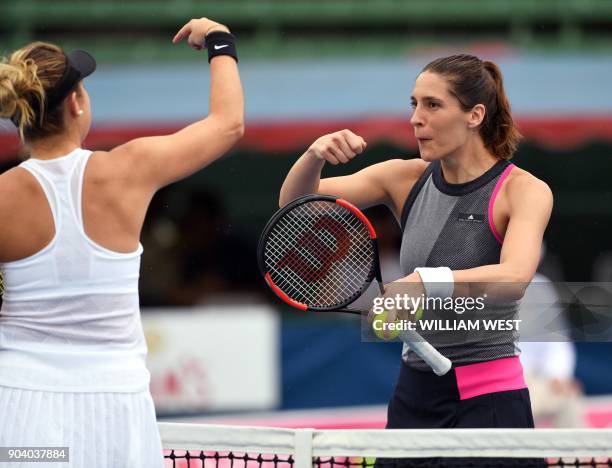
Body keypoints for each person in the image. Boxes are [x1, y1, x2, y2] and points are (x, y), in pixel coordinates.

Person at [0, 17, 243, 467]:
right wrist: (218, 40)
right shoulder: (129, 169)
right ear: (76, 102)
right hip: (117, 413)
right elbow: (228, 125)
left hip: (22, 415)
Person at [280, 55, 552, 455]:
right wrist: (314, 155)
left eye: (433, 105)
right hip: (414, 396)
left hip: (490, 400)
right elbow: (295, 207)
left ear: (474, 115)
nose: (416, 118)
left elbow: (513, 279)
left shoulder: (524, 190)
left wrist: (425, 283)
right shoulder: (402, 178)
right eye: (414, 104)